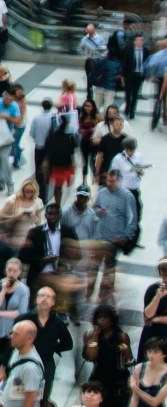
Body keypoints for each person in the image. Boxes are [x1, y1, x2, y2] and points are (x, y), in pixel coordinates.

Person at [10, 287, 72, 405]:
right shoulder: (24, 319)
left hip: (46, 363)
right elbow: (11, 342)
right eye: (42, 295)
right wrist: (3, 367)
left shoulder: (58, 323)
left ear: (53, 302)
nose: (44, 299)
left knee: (43, 397)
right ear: (36, 299)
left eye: (48, 297)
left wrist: (53, 347)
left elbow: (68, 344)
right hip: (24, 361)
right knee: (18, 396)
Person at [0, 258, 30, 395]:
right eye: (9, 270)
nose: (11, 273)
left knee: (7, 361)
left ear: (19, 272)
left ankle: (2, 389)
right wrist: (3, 290)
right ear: (5, 270)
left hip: (12, 331)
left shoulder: (23, 290)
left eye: (15, 271)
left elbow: (21, 312)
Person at [91, 169, 138, 304]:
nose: (109, 183)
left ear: (119, 180)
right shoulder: (102, 193)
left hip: (113, 240)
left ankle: (104, 295)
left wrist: (125, 236)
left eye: (112, 181)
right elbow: (94, 208)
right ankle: (90, 292)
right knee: (94, 267)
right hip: (100, 237)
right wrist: (99, 210)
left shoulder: (127, 196)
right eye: (108, 181)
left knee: (109, 269)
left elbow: (133, 219)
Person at [0, 320, 44, 407]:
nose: (11, 336)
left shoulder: (30, 369)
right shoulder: (17, 351)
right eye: (12, 333)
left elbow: (30, 401)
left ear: (29, 338)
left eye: (16, 334)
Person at [84, 304, 131, 406]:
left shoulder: (121, 336)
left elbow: (129, 359)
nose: (102, 320)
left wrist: (124, 348)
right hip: (99, 375)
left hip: (117, 378)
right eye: (99, 318)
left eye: (105, 317)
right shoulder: (90, 335)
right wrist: (95, 336)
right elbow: (91, 356)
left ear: (111, 319)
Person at [0, 88, 23, 195]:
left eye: (9, 98)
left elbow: (17, 121)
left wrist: (7, 117)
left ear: (13, 99)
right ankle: (0, 181)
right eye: (6, 96)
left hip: (6, 137)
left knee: (4, 159)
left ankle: (9, 184)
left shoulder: (14, 106)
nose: (7, 99)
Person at [0, 179, 45, 252]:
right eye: (27, 191)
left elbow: (39, 222)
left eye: (31, 191)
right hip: (13, 232)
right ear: (23, 189)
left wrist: (33, 217)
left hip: (28, 234)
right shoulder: (13, 199)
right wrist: (15, 216)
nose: (29, 193)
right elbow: (0, 216)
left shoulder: (38, 202)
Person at [45, 113, 78, 205]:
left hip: (56, 165)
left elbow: (49, 149)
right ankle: (66, 204)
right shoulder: (72, 132)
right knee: (69, 186)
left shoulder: (53, 133)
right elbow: (75, 148)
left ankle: (58, 204)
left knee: (58, 186)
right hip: (67, 164)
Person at [138, 260, 167, 362]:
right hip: (152, 333)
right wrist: (158, 297)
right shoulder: (153, 289)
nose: (164, 280)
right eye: (162, 276)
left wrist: (158, 319)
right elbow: (147, 316)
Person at [130, 338, 167, 406]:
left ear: (164, 354)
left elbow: (155, 402)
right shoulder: (139, 368)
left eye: (155, 352)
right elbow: (135, 398)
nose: (151, 356)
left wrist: (135, 388)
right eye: (149, 351)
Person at [123, 35, 150, 120]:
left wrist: (146, 74)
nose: (139, 42)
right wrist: (123, 75)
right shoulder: (129, 51)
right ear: (134, 41)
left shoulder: (146, 51)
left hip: (139, 75)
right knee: (128, 94)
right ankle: (127, 108)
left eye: (141, 40)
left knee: (135, 94)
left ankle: (132, 111)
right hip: (129, 75)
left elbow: (147, 64)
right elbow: (124, 63)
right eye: (137, 40)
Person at [90, 47, 122, 114]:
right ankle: (106, 120)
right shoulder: (118, 63)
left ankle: (95, 118)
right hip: (110, 86)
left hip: (100, 85)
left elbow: (93, 63)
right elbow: (119, 75)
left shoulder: (101, 61)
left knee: (96, 105)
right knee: (107, 107)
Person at [80, 24, 107, 99]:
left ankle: (101, 94)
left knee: (99, 77)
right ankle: (89, 94)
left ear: (94, 30)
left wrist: (97, 51)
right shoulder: (84, 39)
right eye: (88, 31)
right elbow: (81, 48)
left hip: (97, 60)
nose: (89, 33)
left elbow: (104, 48)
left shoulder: (100, 38)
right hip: (89, 60)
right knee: (89, 77)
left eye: (90, 31)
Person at [79, 99, 101, 185]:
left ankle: (94, 180)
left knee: (93, 162)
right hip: (84, 141)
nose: (87, 108)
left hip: (93, 142)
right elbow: (79, 126)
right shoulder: (82, 116)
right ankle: (84, 182)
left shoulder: (97, 116)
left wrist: (95, 129)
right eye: (85, 106)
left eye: (89, 106)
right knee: (84, 162)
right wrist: (81, 130)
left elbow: (103, 126)